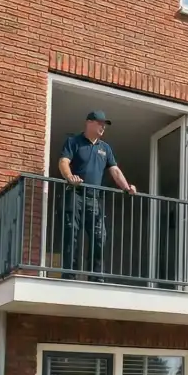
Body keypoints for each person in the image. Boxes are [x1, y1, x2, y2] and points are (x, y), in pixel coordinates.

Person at [58, 110, 138, 280]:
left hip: (94, 199)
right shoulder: (74, 142)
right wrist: (69, 177)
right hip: (75, 194)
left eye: (105, 124)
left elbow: (115, 170)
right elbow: (63, 162)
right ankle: (69, 275)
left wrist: (127, 187)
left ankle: (96, 276)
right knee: (72, 233)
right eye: (100, 123)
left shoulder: (105, 148)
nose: (103, 127)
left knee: (99, 236)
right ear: (89, 122)